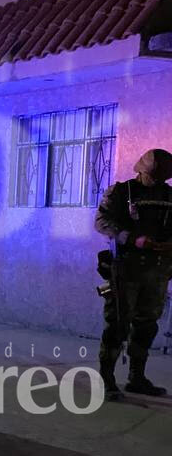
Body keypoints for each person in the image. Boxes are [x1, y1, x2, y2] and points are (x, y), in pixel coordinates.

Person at [95, 148, 172, 399]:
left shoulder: (169, 194)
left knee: (146, 326)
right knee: (118, 324)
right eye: (153, 176)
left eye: (162, 178)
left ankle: (137, 378)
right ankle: (107, 380)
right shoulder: (120, 192)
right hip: (126, 269)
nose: (157, 182)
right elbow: (102, 222)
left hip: (157, 270)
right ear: (141, 170)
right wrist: (133, 239)